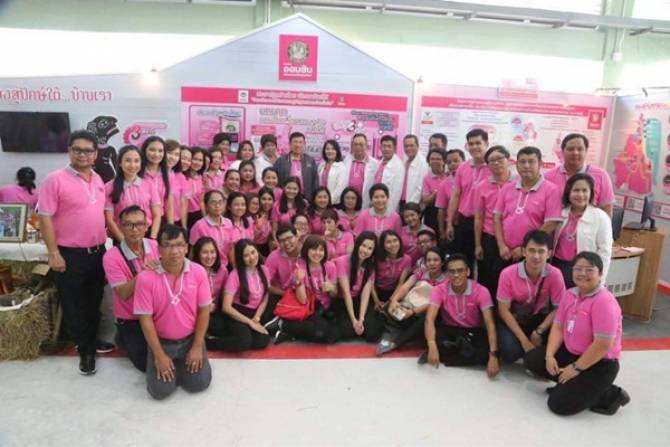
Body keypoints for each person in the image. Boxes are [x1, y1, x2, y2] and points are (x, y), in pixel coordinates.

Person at [524, 251, 630, 416]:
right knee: (533, 359)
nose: (582, 273)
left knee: (558, 405)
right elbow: (558, 327)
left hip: (600, 363)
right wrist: (550, 356)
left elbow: (603, 344)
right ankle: (573, 387)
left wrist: (576, 368)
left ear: (600, 274)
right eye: (578, 269)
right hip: (572, 353)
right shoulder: (570, 294)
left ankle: (611, 395)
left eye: (589, 270)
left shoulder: (604, 302)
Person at [38, 130, 109, 375]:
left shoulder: (98, 179)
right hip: (70, 254)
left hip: (97, 253)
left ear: (95, 154)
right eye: (77, 149)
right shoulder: (54, 180)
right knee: (74, 303)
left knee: (94, 300)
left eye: (88, 150)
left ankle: (91, 340)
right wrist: (53, 252)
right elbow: (44, 218)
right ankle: (85, 350)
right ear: (69, 151)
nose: (82, 154)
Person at [134, 224, 213, 399]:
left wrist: (197, 346)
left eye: (179, 245)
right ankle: (169, 364)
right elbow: (145, 320)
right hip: (162, 343)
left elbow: (204, 311)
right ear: (159, 249)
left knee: (198, 384)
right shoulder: (145, 278)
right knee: (160, 392)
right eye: (167, 245)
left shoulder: (198, 272)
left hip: (190, 339)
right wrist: (159, 355)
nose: (174, 251)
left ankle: (185, 364)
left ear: (186, 248)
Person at [421, 253, 500, 377]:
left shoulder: (481, 291)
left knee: (487, 352)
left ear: (468, 271)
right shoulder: (439, 290)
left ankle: (451, 355)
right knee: (431, 338)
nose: (456, 275)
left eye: (460, 270)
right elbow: (429, 319)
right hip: (450, 329)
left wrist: (493, 355)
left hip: (473, 331)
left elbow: (490, 324)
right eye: (452, 271)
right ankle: (461, 351)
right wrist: (431, 345)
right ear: (447, 274)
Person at [102, 205, 161, 372]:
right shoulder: (111, 257)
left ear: (147, 226)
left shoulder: (156, 246)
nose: (135, 229)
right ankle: (123, 336)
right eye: (129, 225)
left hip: (157, 313)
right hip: (132, 317)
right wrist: (143, 273)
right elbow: (123, 293)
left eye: (139, 224)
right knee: (145, 363)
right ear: (120, 227)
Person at [496, 230, 566, 363]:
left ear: (549, 254)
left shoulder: (555, 274)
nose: (536, 256)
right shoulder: (507, 274)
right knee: (511, 353)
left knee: (558, 344)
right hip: (515, 319)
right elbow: (503, 311)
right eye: (532, 250)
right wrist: (525, 342)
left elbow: (560, 308)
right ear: (523, 251)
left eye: (541, 251)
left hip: (538, 319)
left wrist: (540, 330)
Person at [494, 146, 562, 271]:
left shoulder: (551, 190)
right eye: (522, 162)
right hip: (506, 252)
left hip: (534, 255)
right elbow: (497, 218)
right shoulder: (507, 188)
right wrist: (501, 246)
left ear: (540, 164)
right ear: (516, 165)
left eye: (531, 162)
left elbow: (551, 224)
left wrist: (524, 248)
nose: (526, 166)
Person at [377, 247, 448, 355]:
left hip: (423, 311)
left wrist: (412, 312)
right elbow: (405, 287)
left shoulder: (446, 280)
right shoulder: (421, 272)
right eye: (428, 260)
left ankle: (396, 342)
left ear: (442, 262)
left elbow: (433, 303)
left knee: (426, 319)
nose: (432, 263)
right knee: (388, 311)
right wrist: (394, 300)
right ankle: (391, 329)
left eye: (435, 260)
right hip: (408, 304)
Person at [273, 236, 340, 344]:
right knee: (322, 334)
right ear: (306, 250)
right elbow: (303, 300)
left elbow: (334, 295)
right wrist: (298, 281)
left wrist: (331, 288)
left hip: (325, 307)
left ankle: (290, 330)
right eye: (313, 249)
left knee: (334, 335)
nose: (317, 253)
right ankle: (285, 326)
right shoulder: (301, 267)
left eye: (321, 250)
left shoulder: (330, 266)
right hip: (309, 308)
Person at [207, 239, 271, 352]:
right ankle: (209, 343)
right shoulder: (235, 275)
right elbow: (226, 307)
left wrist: (256, 318)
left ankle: (231, 336)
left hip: (253, 313)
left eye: (253, 252)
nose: (251, 257)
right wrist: (250, 322)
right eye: (246, 255)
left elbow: (265, 297)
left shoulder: (264, 270)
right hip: (236, 313)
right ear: (241, 258)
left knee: (263, 340)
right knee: (244, 342)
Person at [553, 173, 613, 288]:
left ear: (591, 193)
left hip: (584, 271)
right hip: (558, 266)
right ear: (568, 192)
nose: (580, 194)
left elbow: (605, 251)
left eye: (585, 190)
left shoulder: (600, 217)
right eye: (576, 190)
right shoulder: (560, 213)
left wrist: (600, 280)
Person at [444, 129, 490, 269]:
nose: (474, 147)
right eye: (471, 144)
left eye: (478, 143)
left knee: (484, 264)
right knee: (463, 261)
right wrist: (450, 223)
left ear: (486, 144)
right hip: (465, 221)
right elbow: (455, 196)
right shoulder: (463, 168)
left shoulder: (493, 167)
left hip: (486, 223)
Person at [474, 145, 514, 296]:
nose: (496, 163)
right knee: (487, 276)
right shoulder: (482, 187)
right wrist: (478, 245)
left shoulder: (519, 183)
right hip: (489, 238)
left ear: (508, 160)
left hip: (511, 240)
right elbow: (479, 217)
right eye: (491, 161)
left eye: (500, 159)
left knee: (507, 277)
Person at [545, 133, 615, 217]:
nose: (575, 153)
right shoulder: (548, 177)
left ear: (586, 151)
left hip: (590, 224)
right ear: (562, 151)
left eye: (580, 149)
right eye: (570, 149)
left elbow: (607, 211)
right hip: (555, 224)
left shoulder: (601, 176)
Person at [334, 232, 384, 342]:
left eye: (370, 248)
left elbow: (365, 295)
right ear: (357, 244)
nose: (365, 250)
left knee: (372, 335)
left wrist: (361, 319)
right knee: (346, 332)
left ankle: (381, 316)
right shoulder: (342, 261)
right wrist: (353, 320)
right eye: (363, 246)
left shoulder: (370, 267)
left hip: (359, 299)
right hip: (343, 300)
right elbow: (346, 293)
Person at [105, 145, 162, 241]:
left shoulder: (149, 184)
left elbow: (157, 215)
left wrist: (152, 238)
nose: (132, 165)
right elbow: (109, 219)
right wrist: (124, 242)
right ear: (120, 163)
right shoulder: (109, 186)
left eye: (136, 161)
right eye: (128, 161)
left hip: (146, 236)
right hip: (122, 237)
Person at [189, 190, 231, 269]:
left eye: (220, 202)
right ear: (206, 206)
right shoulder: (199, 225)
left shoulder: (228, 223)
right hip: (206, 267)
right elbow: (193, 252)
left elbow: (231, 248)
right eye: (213, 202)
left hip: (224, 267)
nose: (217, 205)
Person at [274, 132, 319, 201]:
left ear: (304, 144)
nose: (298, 145)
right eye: (295, 142)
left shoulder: (310, 161)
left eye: (300, 142)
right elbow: (276, 181)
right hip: (286, 198)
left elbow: (315, 182)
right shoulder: (280, 161)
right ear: (290, 144)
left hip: (306, 199)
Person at [374, 230, 412, 306]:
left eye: (395, 240)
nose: (393, 245)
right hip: (377, 291)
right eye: (388, 242)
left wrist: (390, 301)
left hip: (395, 291)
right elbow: (371, 283)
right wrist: (376, 301)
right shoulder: (377, 259)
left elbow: (400, 283)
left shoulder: (407, 259)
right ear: (383, 245)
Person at [436, 149, 465, 245]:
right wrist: (442, 231)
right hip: (453, 224)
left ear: (464, 161)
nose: (452, 164)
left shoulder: (471, 180)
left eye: (456, 161)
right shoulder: (444, 184)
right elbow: (441, 210)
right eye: (449, 162)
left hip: (470, 223)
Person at [141, 136, 173, 223]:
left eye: (160, 151)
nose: (156, 154)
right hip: (140, 222)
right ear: (144, 150)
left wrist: (171, 225)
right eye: (152, 150)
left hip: (160, 221)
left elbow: (169, 204)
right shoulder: (137, 172)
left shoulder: (168, 174)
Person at [191, 236, 228, 310]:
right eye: (205, 252)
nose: (209, 256)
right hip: (195, 309)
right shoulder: (191, 271)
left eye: (212, 252)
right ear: (197, 254)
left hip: (215, 309)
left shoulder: (222, 270)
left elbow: (223, 296)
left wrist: (216, 306)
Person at [371, 135, 405, 212]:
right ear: (380, 148)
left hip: (388, 208)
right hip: (376, 203)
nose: (386, 149)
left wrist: (389, 211)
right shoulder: (379, 163)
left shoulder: (398, 166)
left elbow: (396, 193)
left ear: (394, 148)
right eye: (384, 146)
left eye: (389, 146)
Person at [342, 133, 378, 203]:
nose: (358, 147)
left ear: (366, 145)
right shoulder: (345, 161)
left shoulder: (374, 163)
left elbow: (376, 185)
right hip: (348, 201)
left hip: (365, 200)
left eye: (361, 144)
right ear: (352, 146)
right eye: (355, 144)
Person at [400, 134, 429, 211]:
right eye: (406, 146)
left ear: (417, 146)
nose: (408, 148)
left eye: (411, 145)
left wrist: (412, 206)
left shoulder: (423, 163)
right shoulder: (405, 162)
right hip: (402, 201)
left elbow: (420, 188)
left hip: (413, 205)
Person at [422, 148, 448, 233]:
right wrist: (437, 192)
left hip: (449, 212)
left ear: (444, 161)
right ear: (428, 162)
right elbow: (426, 201)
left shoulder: (449, 175)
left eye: (438, 159)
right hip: (432, 213)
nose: (435, 161)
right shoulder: (426, 178)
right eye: (432, 159)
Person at [165, 140, 190, 227]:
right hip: (158, 221)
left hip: (175, 222)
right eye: (169, 153)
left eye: (176, 155)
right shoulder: (156, 176)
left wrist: (184, 226)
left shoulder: (180, 176)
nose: (173, 157)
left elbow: (183, 205)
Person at [317, 139, 348, 205]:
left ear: (337, 151)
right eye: (327, 149)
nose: (330, 151)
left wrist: (328, 201)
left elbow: (340, 189)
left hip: (334, 203)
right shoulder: (321, 165)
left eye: (333, 149)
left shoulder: (341, 167)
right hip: (321, 202)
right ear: (324, 151)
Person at [184, 147, 206, 230]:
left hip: (197, 215)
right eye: (195, 159)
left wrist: (204, 219)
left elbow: (201, 201)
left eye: (200, 160)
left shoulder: (201, 178)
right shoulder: (182, 177)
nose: (197, 163)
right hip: (184, 215)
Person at [254, 187, 275, 256]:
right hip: (255, 248)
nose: (267, 202)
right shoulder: (255, 215)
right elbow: (252, 239)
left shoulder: (271, 214)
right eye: (264, 199)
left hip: (267, 248)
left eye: (270, 199)